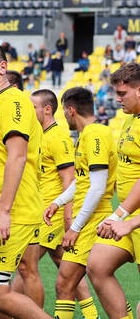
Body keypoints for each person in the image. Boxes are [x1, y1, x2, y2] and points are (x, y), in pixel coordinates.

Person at [0, 41, 51, 319]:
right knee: (10, 277)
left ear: (2, 67)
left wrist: (3, 212)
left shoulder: (13, 101)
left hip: (11, 211)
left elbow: (17, 157)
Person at [44, 87, 117, 319]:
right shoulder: (88, 134)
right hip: (89, 216)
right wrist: (59, 201)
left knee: (66, 281)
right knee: (71, 282)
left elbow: (97, 187)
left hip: (93, 218)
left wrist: (75, 228)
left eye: (64, 111)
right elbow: (84, 180)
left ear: (71, 110)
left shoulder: (95, 135)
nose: (63, 117)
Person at [29, 89, 99, 319]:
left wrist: (68, 218)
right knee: (66, 267)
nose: (30, 112)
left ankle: (16, 312)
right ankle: (91, 316)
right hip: (46, 210)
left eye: (33, 107)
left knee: (25, 265)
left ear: (47, 109)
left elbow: (70, 178)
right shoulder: (41, 134)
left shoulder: (58, 136)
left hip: (53, 216)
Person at [89, 62, 140, 319]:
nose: (117, 99)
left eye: (122, 94)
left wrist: (120, 215)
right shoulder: (131, 120)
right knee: (97, 266)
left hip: (133, 218)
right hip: (129, 217)